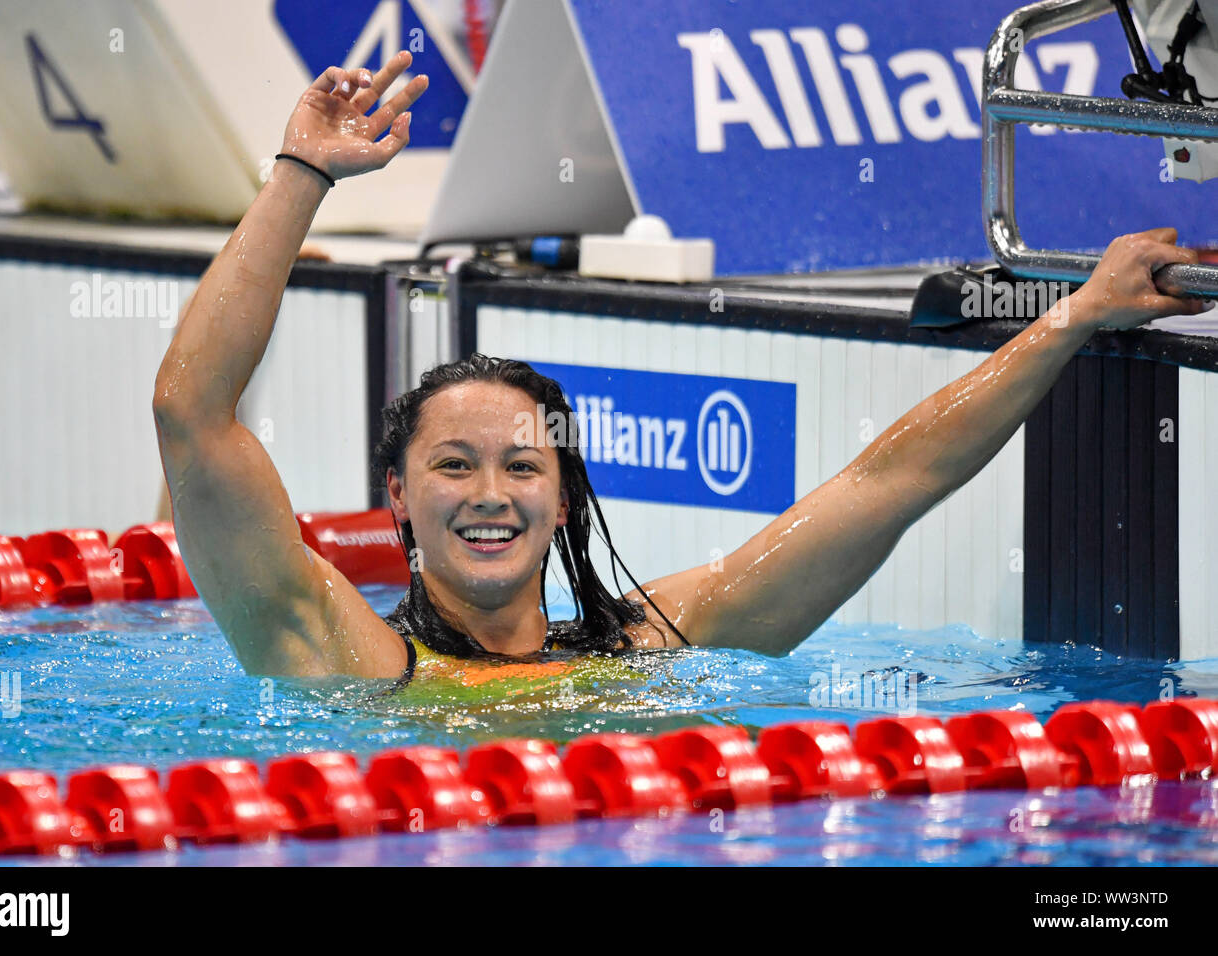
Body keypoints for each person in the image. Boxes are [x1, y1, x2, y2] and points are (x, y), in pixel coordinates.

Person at [152, 50, 1212, 680]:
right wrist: (301, 173)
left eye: (523, 466)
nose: (490, 494)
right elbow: (192, 414)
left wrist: (1075, 313)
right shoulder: (341, 653)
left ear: (564, 496)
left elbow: (892, 481)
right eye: (453, 465)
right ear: (396, 494)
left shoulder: (651, 645)